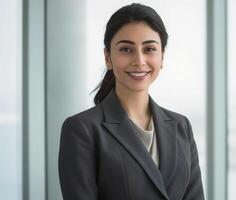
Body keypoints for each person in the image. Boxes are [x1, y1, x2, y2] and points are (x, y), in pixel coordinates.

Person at [58, 3, 205, 200]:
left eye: (150, 49)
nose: (139, 60)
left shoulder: (181, 127)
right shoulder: (82, 130)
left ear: (162, 57)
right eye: (126, 49)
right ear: (108, 57)